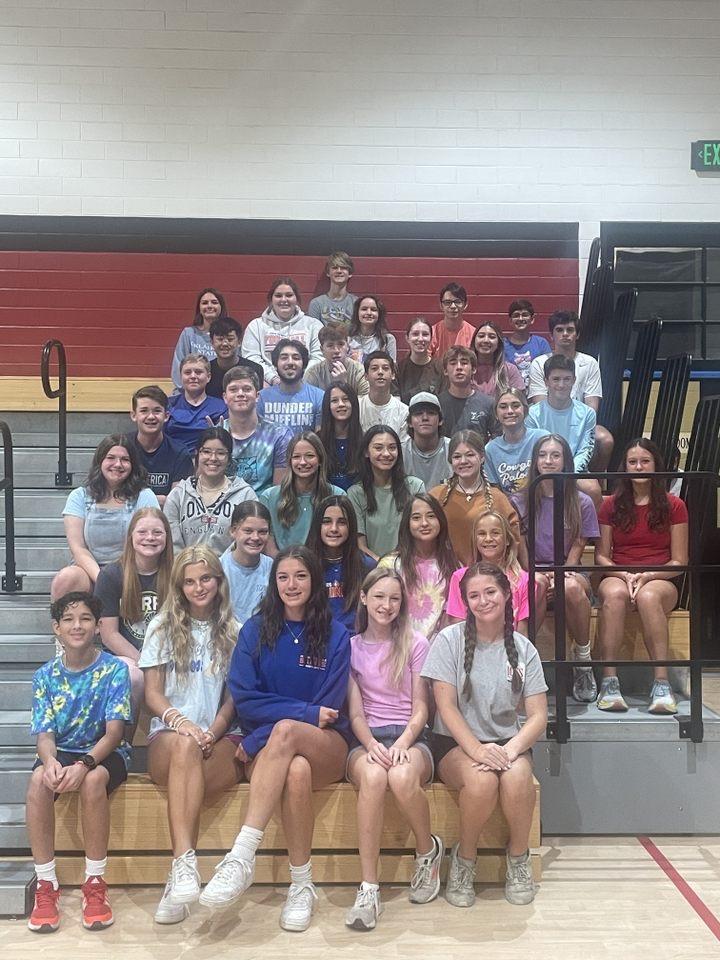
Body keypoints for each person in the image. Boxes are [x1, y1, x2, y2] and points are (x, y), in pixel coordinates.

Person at [199, 546, 351, 933]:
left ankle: (241, 854)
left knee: (288, 734)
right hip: (275, 749)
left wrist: (259, 738)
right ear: (274, 582)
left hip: (326, 744)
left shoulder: (336, 634)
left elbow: (328, 710)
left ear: (314, 580)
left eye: (300, 576)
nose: (291, 584)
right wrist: (294, 718)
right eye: (283, 577)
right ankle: (301, 885)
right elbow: (246, 699)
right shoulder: (255, 630)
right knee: (295, 771)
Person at [421, 563, 548, 907]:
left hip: (507, 742)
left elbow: (538, 716)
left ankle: (518, 859)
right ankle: (465, 859)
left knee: (517, 777)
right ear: (465, 602)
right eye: (474, 596)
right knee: (481, 782)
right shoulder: (449, 640)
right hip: (456, 743)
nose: (483, 601)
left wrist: (512, 750)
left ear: (506, 594)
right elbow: (445, 707)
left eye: (490, 592)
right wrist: (477, 750)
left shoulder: (524, 648)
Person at [139, 545, 241, 925]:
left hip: (219, 738)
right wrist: (183, 724)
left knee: (191, 770)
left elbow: (233, 700)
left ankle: (178, 876)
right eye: (190, 582)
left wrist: (211, 732)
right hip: (169, 737)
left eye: (206, 579)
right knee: (185, 749)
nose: (199, 588)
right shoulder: (161, 626)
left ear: (219, 581)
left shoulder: (235, 630)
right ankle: (184, 865)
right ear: (179, 586)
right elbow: (152, 694)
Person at [26, 592, 131, 933]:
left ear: (98, 626)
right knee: (38, 780)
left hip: (105, 752)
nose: (77, 626)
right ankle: (46, 884)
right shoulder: (44, 676)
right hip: (64, 750)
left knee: (93, 780)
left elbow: (114, 733)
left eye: (85, 618)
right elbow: (45, 735)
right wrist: (50, 762)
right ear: (56, 628)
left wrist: (84, 764)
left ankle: (95, 883)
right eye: (68, 619)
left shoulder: (114, 669)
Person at [345, 568, 441, 931]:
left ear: (403, 604)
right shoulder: (350, 648)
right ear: (364, 598)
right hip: (366, 737)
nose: (386, 605)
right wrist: (370, 744)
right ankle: (369, 889)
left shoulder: (416, 643)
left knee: (400, 777)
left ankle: (427, 851)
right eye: (379, 597)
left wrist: (402, 743)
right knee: (373, 777)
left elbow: (421, 708)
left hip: (410, 736)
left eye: (395, 599)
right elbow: (356, 713)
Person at [595, 438, 688, 714]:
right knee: (614, 594)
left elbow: (679, 561)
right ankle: (609, 682)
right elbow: (601, 556)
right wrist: (624, 574)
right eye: (632, 462)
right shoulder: (610, 505)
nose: (638, 467)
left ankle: (661, 683)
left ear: (656, 465)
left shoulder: (675, 505)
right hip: (619, 572)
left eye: (645, 461)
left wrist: (647, 576)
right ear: (624, 467)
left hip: (660, 576)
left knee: (648, 597)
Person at [512, 435, 599, 701]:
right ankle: (523, 664)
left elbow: (579, 545)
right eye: (542, 455)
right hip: (532, 571)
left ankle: (583, 662)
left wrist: (560, 573)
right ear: (535, 461)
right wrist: (535, 573)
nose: (548, 461)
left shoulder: (581, 501)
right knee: (535, 585)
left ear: (565, 461)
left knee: (570, 587)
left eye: (555, 455)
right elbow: (521, 548)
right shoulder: (519, 500)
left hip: (569, 571)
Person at [52, 436, 159, 598]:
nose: (118, 464)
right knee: (65, 579)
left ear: (132, 465)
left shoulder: (144, 496)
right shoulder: (79, 496)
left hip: (132, 569)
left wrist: (117, 578)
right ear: (100, 461)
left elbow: (151, 541)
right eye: (111, 458)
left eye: (125, 459)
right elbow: (78, 548)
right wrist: (104, 580)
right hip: (88, 570)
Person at [94, 506, 173, 719]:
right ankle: (124, 739)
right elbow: (109, 634)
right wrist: (144, 663)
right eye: (142, 532)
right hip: (125, 658)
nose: (150, 538)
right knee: (133, 674)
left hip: (167, 656)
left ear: (167, 537)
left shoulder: (177, 572)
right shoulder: (111, 575)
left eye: (157, 532)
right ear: (131, 536)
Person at [527, 310, 613, 470]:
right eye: (559, 330)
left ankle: (593, 476)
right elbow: (541, 405)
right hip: (548, 420)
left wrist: (578, 422)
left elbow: (592, 407)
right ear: (551, 335)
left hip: (579, 420)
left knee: (606, 440)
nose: (565, 334)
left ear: (577, 334)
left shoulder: (590, 363)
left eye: (570, 330)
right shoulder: (539, 363)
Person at [429, 430, 519, 567]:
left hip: (488, 574)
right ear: (450, 461)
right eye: (457, 456)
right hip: (445, 572)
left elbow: (513, 540)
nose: (463, 461)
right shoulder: (436, 496)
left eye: (470, 455)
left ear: (482, 457)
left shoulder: (498, 499)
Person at [163, 426, 257, 554]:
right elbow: (173, 544)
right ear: (197, 454)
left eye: (221, 453)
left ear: (229, 458)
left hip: (229, 566)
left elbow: (249, 539)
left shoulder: (245, 495)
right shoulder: (178, 495)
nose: (213, 458)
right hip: (185, 565)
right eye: (206, 452)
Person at [525, 355, 601, 507]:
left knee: (593, 490)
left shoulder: (587, 414)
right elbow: (532, 450)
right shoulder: (532, 414)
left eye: (567, 379)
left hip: (574, 470)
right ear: (546, 381)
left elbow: (585, 450)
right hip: (542, 469)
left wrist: (567, 472)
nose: (561, 384)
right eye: (556, 379)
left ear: (574, 380)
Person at [379, 493, 457, 641]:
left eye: (431, 516)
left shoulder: (452, 566)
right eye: (416, 518)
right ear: (407, 523)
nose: (424, 523)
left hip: (438, 649)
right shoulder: (390, 565)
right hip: (396, 645)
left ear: (440, 521)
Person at [446, 511, 530, 636]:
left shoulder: (523, 579)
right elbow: (457, 628)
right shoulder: (459, 577)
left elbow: (522, 632)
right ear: (475, 540)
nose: (488, 539)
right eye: (481, 534)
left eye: (495, 533)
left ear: (507, 540)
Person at [348, 426, 425, 561]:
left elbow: (421, 535)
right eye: (378, 448)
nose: (386, 454)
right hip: (373, 567)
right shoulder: (355, 493)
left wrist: (397, 563)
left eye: (392, 448)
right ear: (366, 452)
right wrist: (383, 564)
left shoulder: (415, 487)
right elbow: (360, 545)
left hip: (410, 563)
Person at [259, 431, 343, 553]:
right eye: (296, 457)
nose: (303, 462)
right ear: (289, 461)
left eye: (309, 456)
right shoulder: (268, 497)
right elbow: (268, 545)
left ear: (320, 460)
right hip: (280, 563)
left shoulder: (338, 496)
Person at [306, 494, 376, 633]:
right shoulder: (305, 565)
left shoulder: (367, 566)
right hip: (315, 639)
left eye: (342, 522)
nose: (334, 528)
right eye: (326, 522)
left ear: (351, 527)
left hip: (356, 640)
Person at [221, 365, 292, 496]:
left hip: (264, 506)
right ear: (225, 397)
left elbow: (279, 493)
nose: (240, 394)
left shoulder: (279, 434)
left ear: (257, 396)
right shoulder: (215, 435)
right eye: (233, 389)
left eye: (247, 389)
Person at [241, 277, 323, 385]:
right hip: (268, 384)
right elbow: (251, 358)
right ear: (271, 299)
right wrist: (273, 379)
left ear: (296, 298)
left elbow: (319, 356)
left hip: (305, 384)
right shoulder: (256, 326)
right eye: (278, 295)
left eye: (289, 295)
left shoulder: (313, 325)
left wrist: (302, 379)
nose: (284, 300)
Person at [127, 385, 193, 506]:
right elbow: (114, 496)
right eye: (144, 411)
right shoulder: (122, 448)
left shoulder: (179, 453)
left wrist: (135, 500)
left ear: (166, 416)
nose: (151, 417)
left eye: (157, 411)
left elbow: (176, 503)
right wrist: (161, 499)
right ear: (134, 415)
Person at [484, 389, 549, 495]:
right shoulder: (490, 450)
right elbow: (496, 492)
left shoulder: (542, 439)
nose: (510, 411)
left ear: (525, 410)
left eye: (515, 406)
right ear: (496, 414)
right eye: (503, 407)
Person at [220, 501, 274, 626]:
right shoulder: (218, 569)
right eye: (248, 531)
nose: (255, 537)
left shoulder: (273, 569)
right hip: (225, 635)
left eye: (262, 532)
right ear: (233, 531)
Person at [257, 339, 324, 435]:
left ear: (304, 365)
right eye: (284, 358)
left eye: (296, 358)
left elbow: (320, 438)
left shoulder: (319, 397)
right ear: (275, 364)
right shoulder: (262, 398)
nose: (290, 362)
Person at [166, 354, 227, 455]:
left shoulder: (221, 407)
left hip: (208, 460)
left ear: (208, 377)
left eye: (198, 372)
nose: (193, 376)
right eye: (187, 372)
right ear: (181, 377)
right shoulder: (168, 404)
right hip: (173, 459)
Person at [171, 288, 226, 389]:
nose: (209, 306)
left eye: (214, 302)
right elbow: (178, 367)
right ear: (199, 309)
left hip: (219, 392)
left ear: (221, 307)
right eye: (204, 303)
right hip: (190, 391)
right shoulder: (188, 334)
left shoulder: (229, 336)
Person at [438, 346, 495, 440]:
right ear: (445, 371)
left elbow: (497, 439)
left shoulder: (488, 403)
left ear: (474, 369)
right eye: (453, 363)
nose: (459, 367)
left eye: (464, 363)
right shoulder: (437, 404)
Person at [317, 382, 363, 491]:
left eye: (346, 399)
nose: (341, 404)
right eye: (334, 401)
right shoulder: (318, 440)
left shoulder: (364, 440)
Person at [303, 320, 369, 395]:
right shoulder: (313, 373)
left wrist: (343, 384)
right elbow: (306, 400)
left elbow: (365, 400)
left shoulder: (359, 371)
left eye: (341, 344)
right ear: (322, 350)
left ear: (347, 347)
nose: (336, 350)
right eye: (330, 345)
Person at [401, 392, 451, 490]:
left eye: (431, 413)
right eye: (418, 414)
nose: (425, 418)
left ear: (440, 420)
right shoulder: (400, 452)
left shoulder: (453, 449)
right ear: (410, 422)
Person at [206, 317, 264, 400]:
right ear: (212, 342)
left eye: (230, 339)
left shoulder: (255, 369)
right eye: (220, 339)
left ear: (239, 341)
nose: (225, 344)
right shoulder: (206, 370)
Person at [359, 351, 410, 440]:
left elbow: (403, 446)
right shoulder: (357, 407)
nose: (380, 372)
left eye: (385, 368)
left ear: (393, 375)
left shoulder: (404, 412)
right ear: (366, 376)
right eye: (374, 368)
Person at [503, 300, 551, 389]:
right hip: (508, 393)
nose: (520, 319)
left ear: (532, 319)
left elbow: (549, 371)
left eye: (525, 315)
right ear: (510, 321)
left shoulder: (541, 344)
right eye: (516, 315)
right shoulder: (502, 345)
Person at [397, 317, 446, 404]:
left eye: (425, 334)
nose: (420, 339)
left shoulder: (441, 369)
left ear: (431, 338)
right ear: (407, 338)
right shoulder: (398, 369)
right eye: (415, 334)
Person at [472, 321, 525, 397]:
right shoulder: (466, 370)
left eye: (492, 337)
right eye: (481, 336)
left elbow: (519, 400)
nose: (486, 340)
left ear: (499, 343)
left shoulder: (510, 370)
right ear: (474, 341)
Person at [307, 251, 357, 325]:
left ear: (350, 273)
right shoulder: (317, 304)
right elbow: (313, 330)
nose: (339, 271)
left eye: (343, 268)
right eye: (335, 268)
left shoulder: (356, 303)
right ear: (328, 272)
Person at [430, 283, 476, 358]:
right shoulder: (432, 333)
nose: (453, 306)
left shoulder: (473, 334)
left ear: (465, 304)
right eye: (447, 302)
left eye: (458, 302)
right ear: (441, 305)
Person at [347, 294, 397, 362]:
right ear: (357, 313)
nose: (369, 313)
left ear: (379, 314)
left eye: (373, 310)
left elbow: (392, 366)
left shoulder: (387, 339)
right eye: (364, 309)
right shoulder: (348, 338)